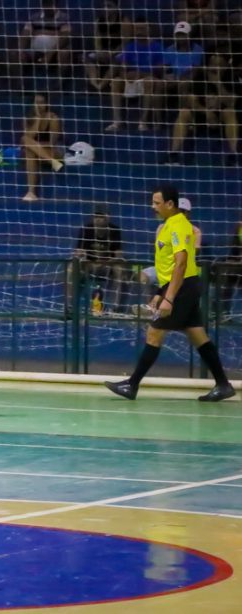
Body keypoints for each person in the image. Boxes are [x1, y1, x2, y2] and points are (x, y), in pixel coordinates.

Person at [105, 184, 235, 402]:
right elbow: (166, 267)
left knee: (154, 333)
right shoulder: (167, 225)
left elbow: (181, 264)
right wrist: (160, 291)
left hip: (183, 287)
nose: (152, 207)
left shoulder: (178, 227)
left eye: (156, 203)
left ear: (170, 204)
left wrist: (169, 298)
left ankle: (132, 384)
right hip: (179, 286)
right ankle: (223, 385)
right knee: (197, 335)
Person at [164, 55, 239, 166]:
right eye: (213, 64)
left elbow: (231, 102)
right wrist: (206, 112)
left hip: (221, 116)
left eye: (219, 65)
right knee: (184, 112)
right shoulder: (200, 77)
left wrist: (218, 84)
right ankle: (173, 154)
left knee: (230, 112)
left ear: (225, 67)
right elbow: (190, 100)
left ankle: (233, 155)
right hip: (201, 114)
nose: (216, 68)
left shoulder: (231, 77)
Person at [106, 17, 164, 133]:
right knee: (116, 81)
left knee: (149, 81)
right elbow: (122, 66)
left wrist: (141, 74)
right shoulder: (130, 46)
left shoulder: (157, 47)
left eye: (142, 28)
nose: (139, 31)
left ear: (149, 30)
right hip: (132, 80)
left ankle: (143, 121)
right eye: (137, 29)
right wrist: (125, 75)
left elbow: (160, 70)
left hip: (147, 79)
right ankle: (117, 121)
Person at [73, 205, 127, 314]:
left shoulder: (114, 231)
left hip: (108, 265)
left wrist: (105, 263)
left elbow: (119, 255)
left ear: (107, 218)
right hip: (89, 264)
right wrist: (84, 258)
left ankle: (117, 308)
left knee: (120, 270)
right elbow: (77, 252)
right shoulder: (86, 229)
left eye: (100, 217)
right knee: (71, 268)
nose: (97, 219)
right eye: (95, 217)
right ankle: (70, 306)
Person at [21, 93, 64, 202]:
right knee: (26, 143)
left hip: (53, 151)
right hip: (39, 153)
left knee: (28, 145)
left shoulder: (53, 118)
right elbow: (28, 138)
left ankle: (31, 192)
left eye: (42, 103)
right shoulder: (29, 119)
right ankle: (31, 192)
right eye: (37, 103)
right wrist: (38, 119)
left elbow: (52, 143)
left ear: (47, 104)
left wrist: (36, 146)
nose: (39, 106)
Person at [19, 0, 73, 74]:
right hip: (35, 51)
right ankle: (17, 83)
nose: (48, 7)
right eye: (45, 4)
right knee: (15, 54)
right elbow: (25, 35)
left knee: (64, 53)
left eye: (50, 4)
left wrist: (50, 54)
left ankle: (59, 83)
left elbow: (65, 37)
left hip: (55, 52)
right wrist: (21, 51)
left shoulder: (64, 17)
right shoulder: (34, 17)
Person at [83, 1, 126, 91]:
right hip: (104, 51)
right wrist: (100, 52)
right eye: (104, 6)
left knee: (119, 59)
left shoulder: (124, 21)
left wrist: (112, 53)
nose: (105, 9)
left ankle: (101, 85)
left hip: (118, 52)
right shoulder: (99, 21)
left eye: (109, 6)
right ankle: (93, 82)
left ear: (116, 7)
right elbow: (97, 41)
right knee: (86, 57)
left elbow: (125, 43)